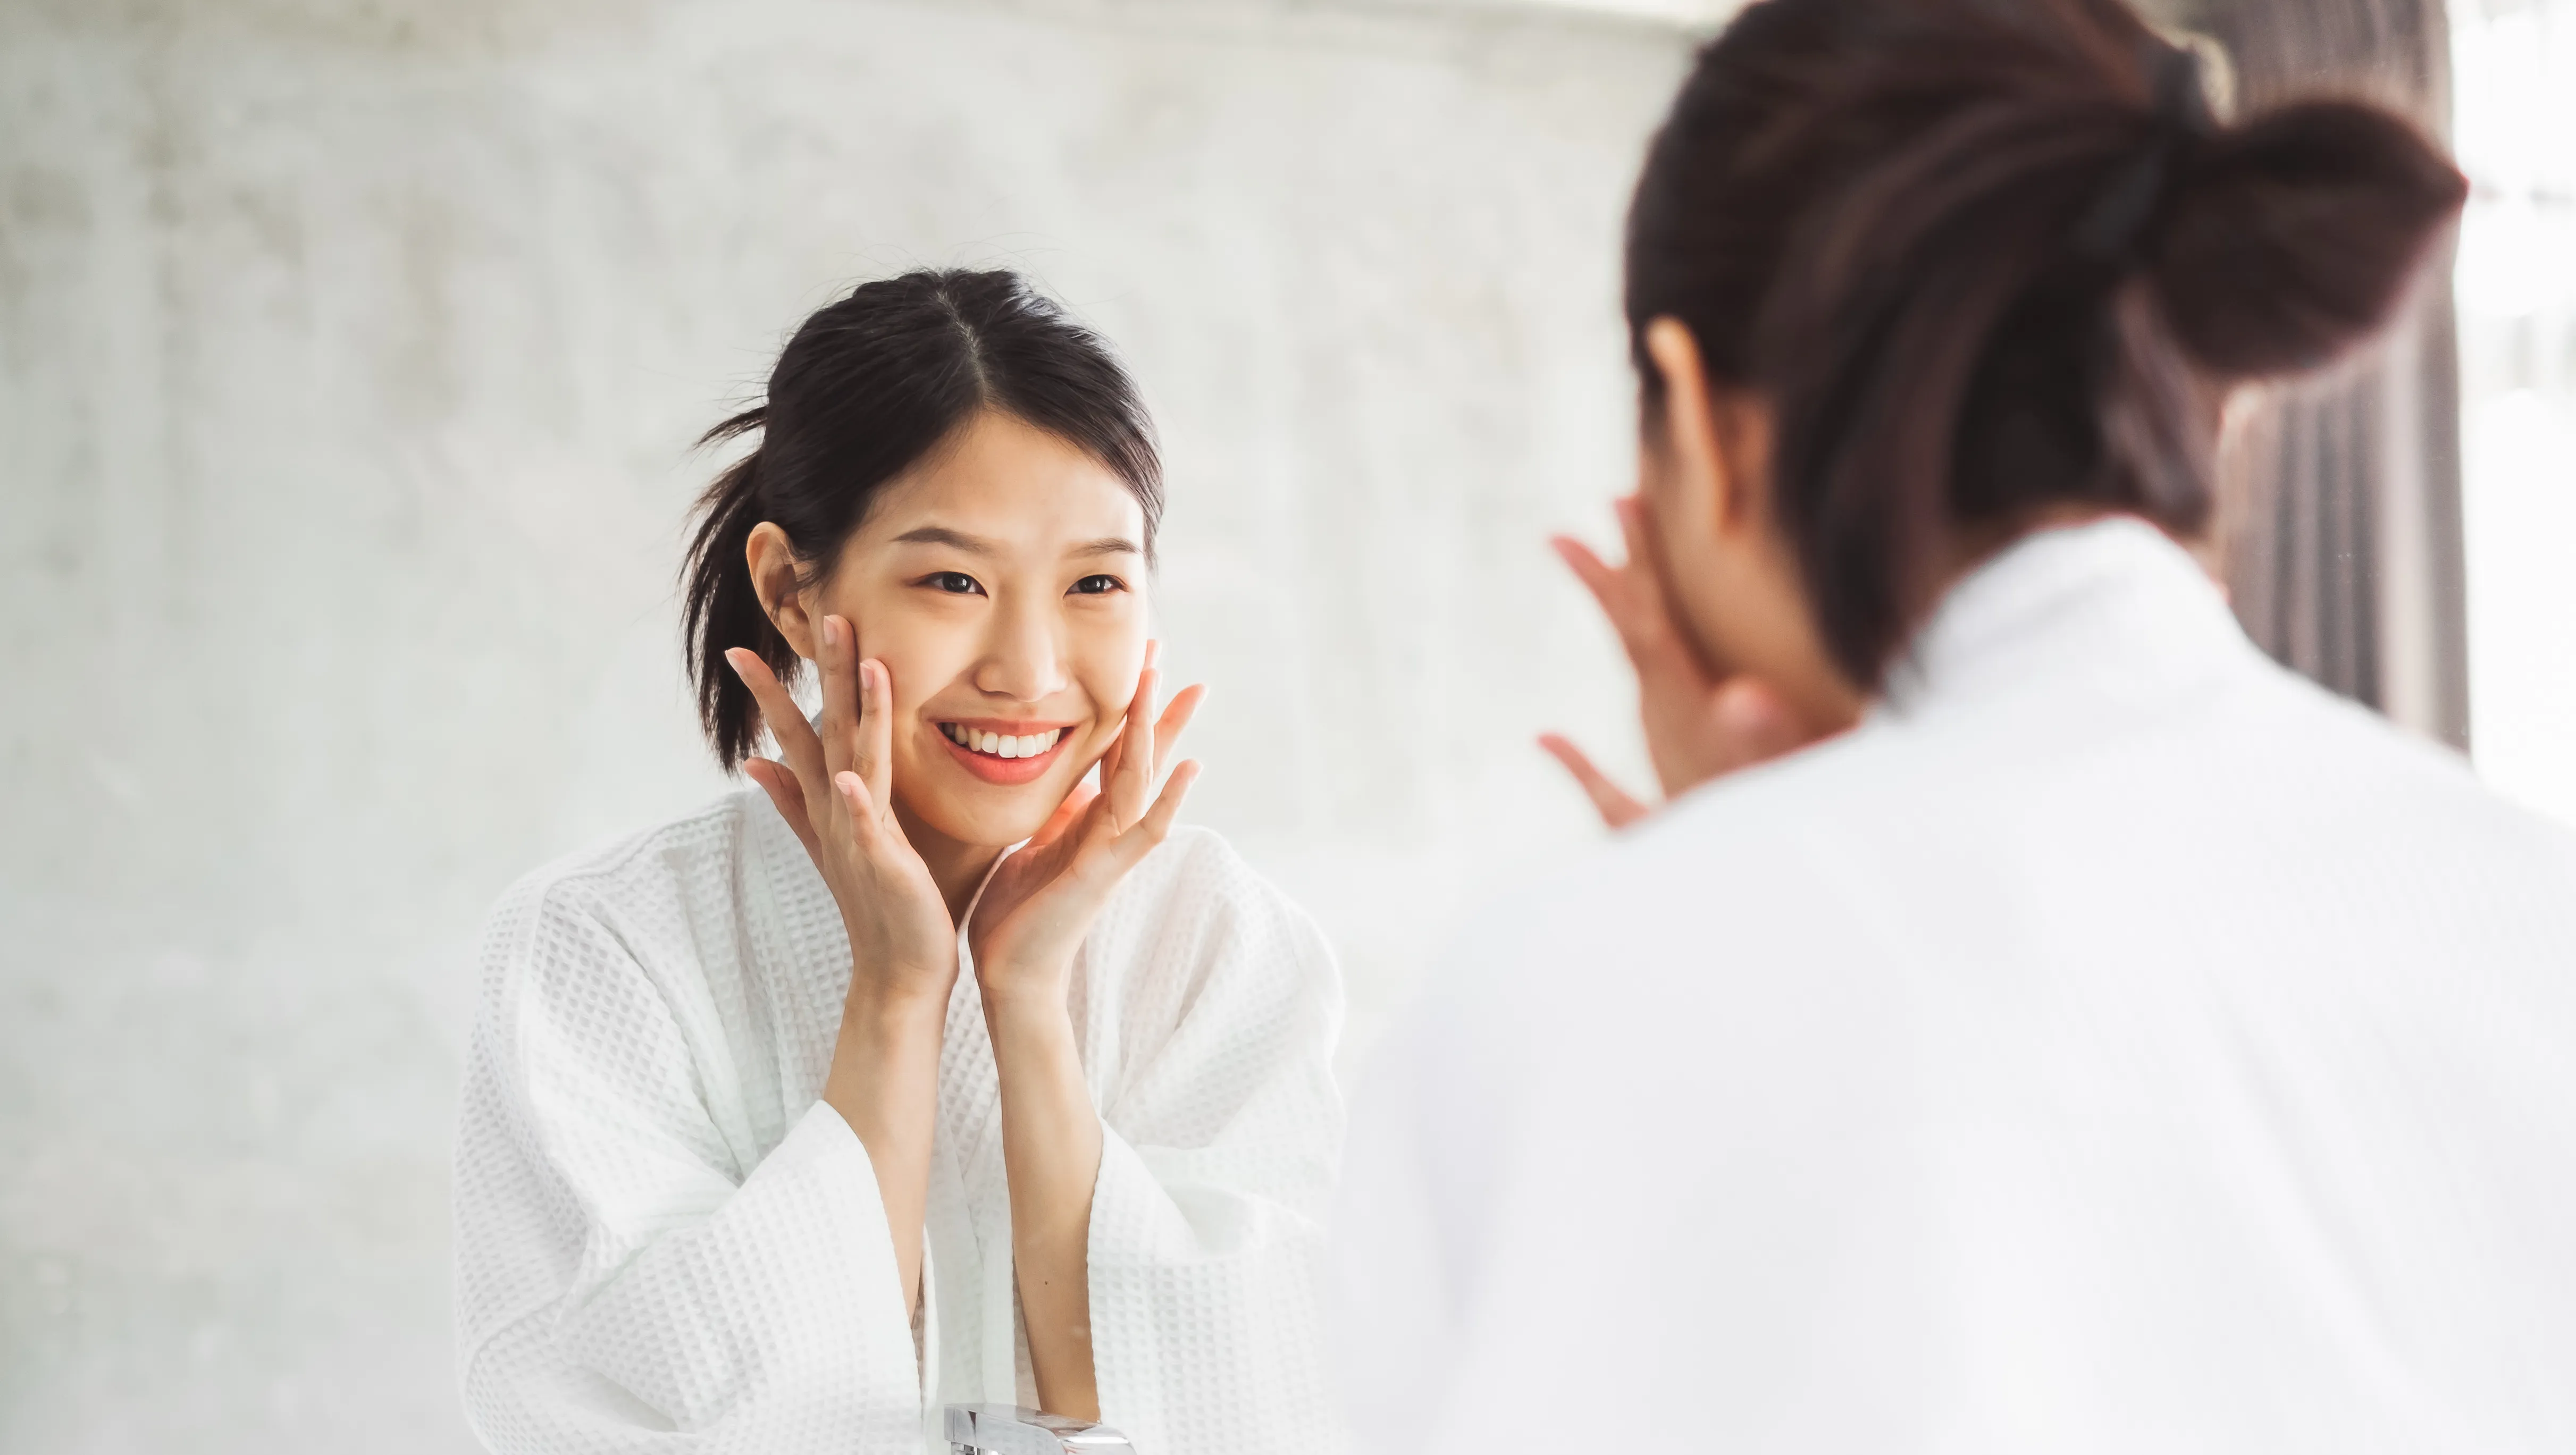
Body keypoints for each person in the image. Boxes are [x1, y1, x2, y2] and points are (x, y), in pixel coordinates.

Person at [1334, 1, 2576, 1450]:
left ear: (1701, 423)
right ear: (2199, 395)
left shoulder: (1555, 1007)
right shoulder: (2521, 907)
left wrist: (1733, 899)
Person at [452, 270, 1343, 1454]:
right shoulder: (603, 948)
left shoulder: (1221, 944)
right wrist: (897, 995)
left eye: (1094, 584)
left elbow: (1249, 1410)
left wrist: (1025, 1004)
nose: (1029, 669)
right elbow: (631, 1414)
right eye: (953, 582)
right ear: (788, 585)